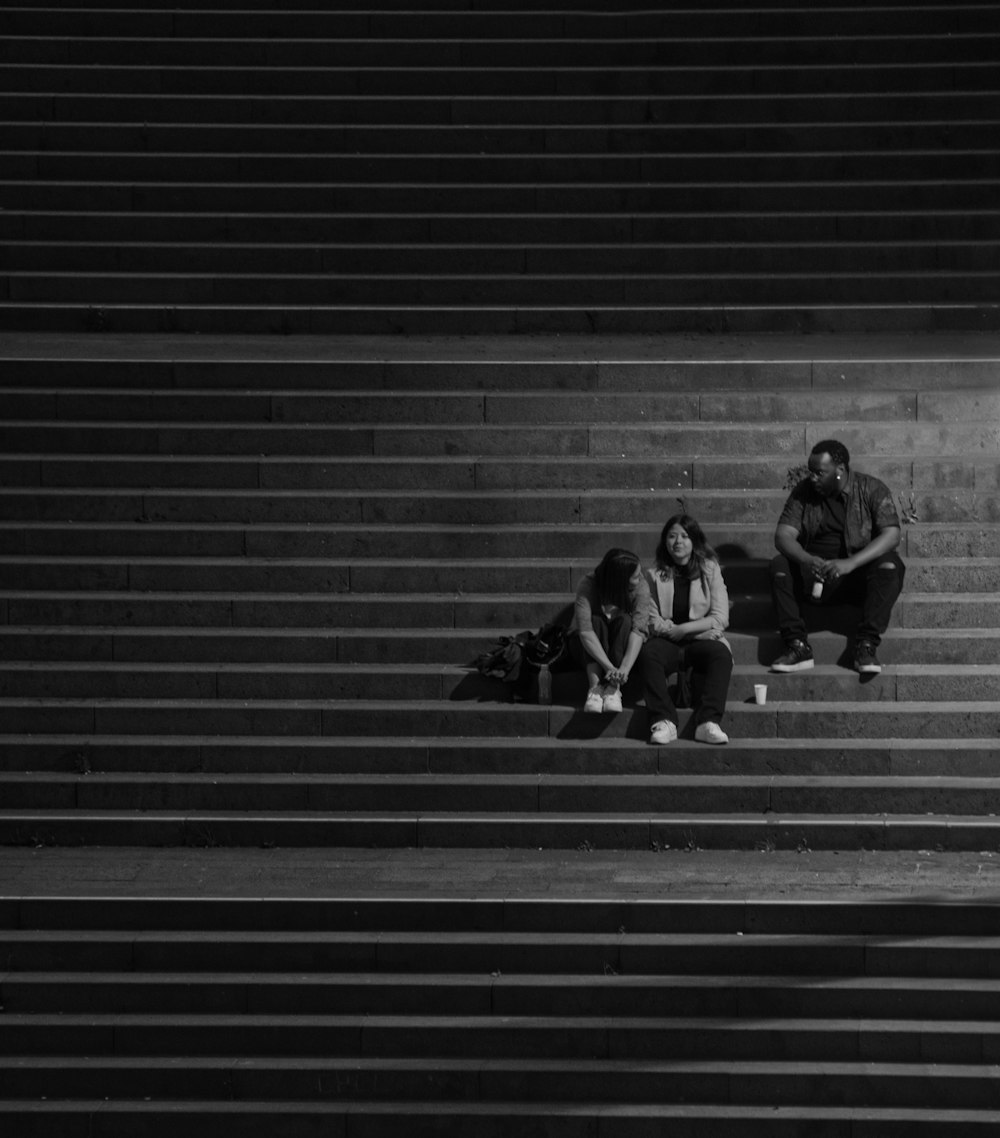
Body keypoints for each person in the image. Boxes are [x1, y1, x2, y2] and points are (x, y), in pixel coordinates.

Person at [769, 439, 906, 675]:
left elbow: (891, 534)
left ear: (840, 470)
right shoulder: (804, 492)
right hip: (815, 577)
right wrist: (806, 559)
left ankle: (866, 644)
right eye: (811, 472)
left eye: (820, 473)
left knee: (890, 565)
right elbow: (783, 536)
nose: (813, 478)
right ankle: (797, 645)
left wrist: (850, 563)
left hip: (856, 577)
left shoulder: (871, 488)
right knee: (780, 566)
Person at [638, 515, 733, 745]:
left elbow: (720, 617)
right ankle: (664, 721)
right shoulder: (652, 575)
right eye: (672, 536)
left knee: (721, 654)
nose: (678, 542)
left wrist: (687, 630)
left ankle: (708, 722)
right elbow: (653, 621)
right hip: (667, 639)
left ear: (695, 541)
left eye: (684, 536)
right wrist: (680, 631)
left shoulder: (710, 569)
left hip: (700, 640)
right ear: (665, 542)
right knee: (649, 654)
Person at [568, 548, 649, 713]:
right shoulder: (589, 584)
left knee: (626, 620)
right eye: (635, 576)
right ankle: (595, 688)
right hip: (587, 645)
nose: (640, 578)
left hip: (620, 643)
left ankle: (613, 689)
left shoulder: (641, 586)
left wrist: (623, 670)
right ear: (620, 579)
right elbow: (585, 631)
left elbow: (639, 629)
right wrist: (609, 668)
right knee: (595, 620)